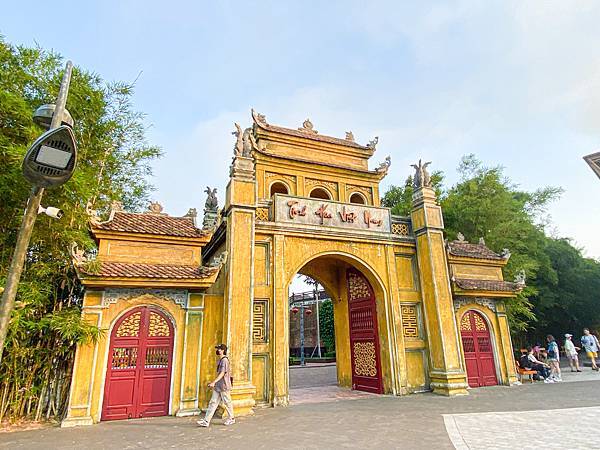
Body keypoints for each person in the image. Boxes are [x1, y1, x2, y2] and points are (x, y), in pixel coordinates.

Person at [197, 344, 235, 427]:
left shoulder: (224, 360)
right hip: (218, 385)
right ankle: (206, 421)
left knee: (227, 402)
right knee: (213, 402)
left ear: (222, 350)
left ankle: (231, 418)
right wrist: (215, 383)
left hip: (224, 385)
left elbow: (222, 373)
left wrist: (213, 382)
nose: (217, 350)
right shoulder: (221, 360)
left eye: (219, 349)